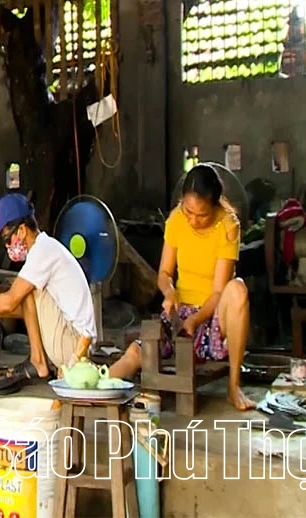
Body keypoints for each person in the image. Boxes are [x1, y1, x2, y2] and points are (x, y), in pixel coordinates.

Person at [107, 163, 255, 411]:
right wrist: (169, 292)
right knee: (135, 353)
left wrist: (196, 320)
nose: (194, 220)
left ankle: (234, 386)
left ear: (216, 204)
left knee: (237, 289)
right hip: (180, 314)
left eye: (202, 214)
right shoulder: (176, 220)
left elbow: (219, 292)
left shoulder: (228, 226)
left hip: (213, 317)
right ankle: (90, 390)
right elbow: (164, 273)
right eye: (189, 212)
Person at [0, 193, 97, 382]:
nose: (7, 246)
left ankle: (38, 362)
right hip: (70, 339)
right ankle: (39, 361)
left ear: (21, 231)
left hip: (74, 349)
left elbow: (11, 300)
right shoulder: (46, 248)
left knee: (24, 288)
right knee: (25, 287)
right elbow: (31, 311)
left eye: (7, 239)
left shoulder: (43, 252)